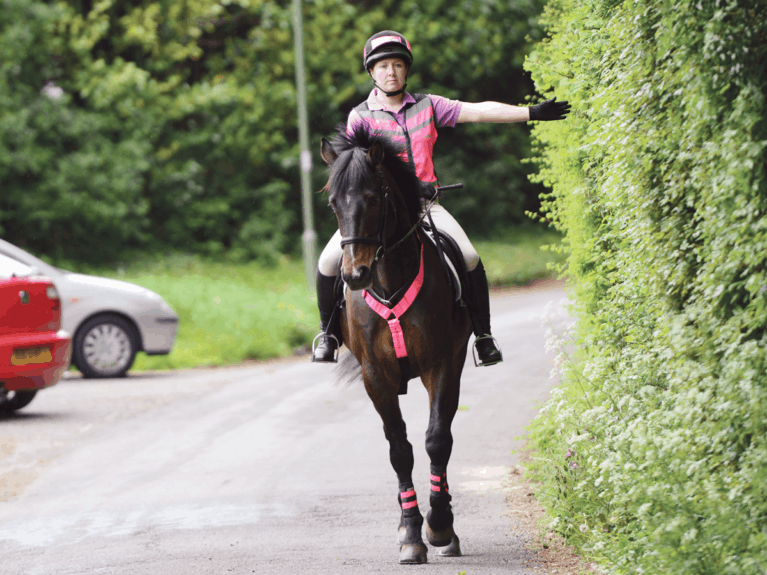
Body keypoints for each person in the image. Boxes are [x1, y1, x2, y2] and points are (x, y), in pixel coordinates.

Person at [312, 30, 570, 365]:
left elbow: (478, 111)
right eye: (383, 66)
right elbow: (351, 170)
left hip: (425, 206)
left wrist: (531, 113)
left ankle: (484, 335)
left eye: (397, 65)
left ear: (406, 70)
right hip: (375, 212)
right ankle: (328, 335)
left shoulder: (429, 105)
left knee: (469, 255)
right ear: (371, 73)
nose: (391, 72)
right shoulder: (360, 117)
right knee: (327, 263)